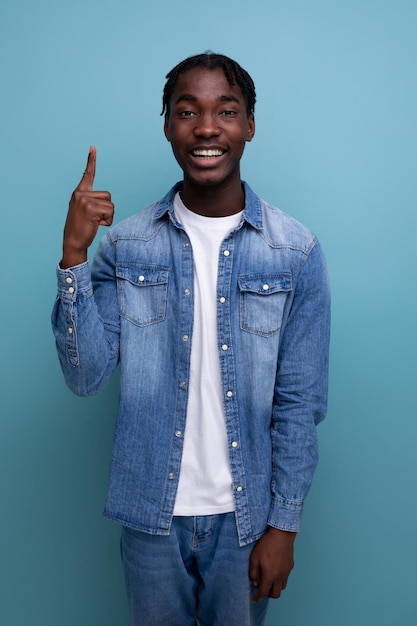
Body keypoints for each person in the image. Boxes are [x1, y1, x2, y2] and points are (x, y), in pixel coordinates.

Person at [52, 52, 330, 626]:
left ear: (249, 125)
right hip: (150, 515)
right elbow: (85, 379)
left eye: (226, 111)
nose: (206, 127)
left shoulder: (295, 251)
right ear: (167, 126)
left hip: (246, 520)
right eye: (187, 111)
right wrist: (74, 256)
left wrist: (284, 525)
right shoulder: (126, 246)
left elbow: (300, 403)